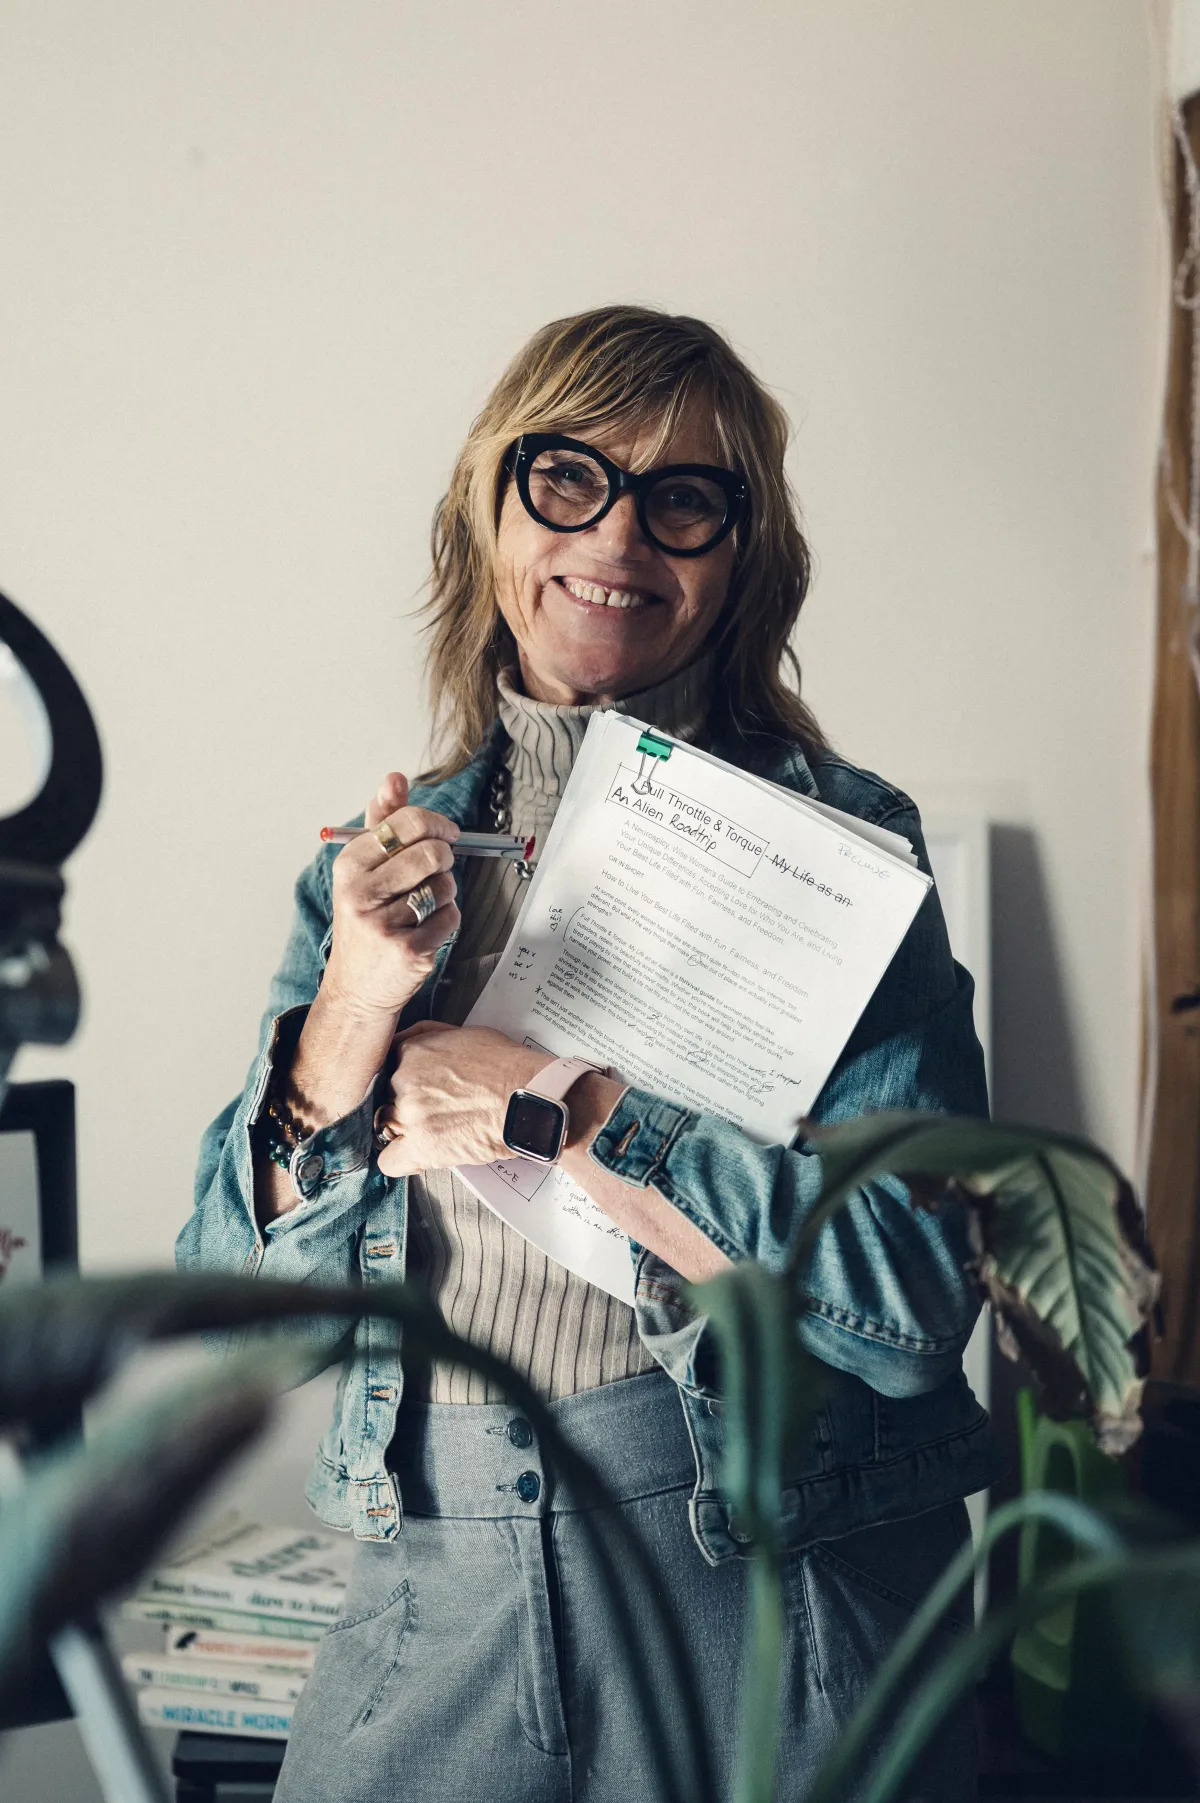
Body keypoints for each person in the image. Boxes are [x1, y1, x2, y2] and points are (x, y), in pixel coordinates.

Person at [178, 305, 1002, 1802]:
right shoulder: (374, 872)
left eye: (683, 498)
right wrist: (357, 1005)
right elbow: (241, 1337)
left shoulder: (842, 852)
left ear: (742, 557)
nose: (618, 535)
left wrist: (553, 1105)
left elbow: (907, 1304)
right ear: (489, 511)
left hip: (773, 1577)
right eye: (568, 477)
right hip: (441, 1570)